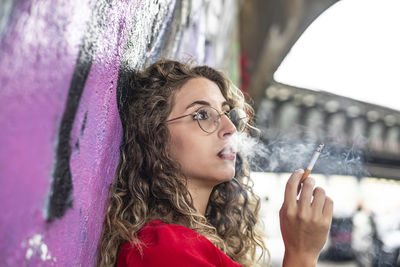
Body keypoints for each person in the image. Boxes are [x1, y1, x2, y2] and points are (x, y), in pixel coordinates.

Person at [96, 59, 333, 267]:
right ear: (155, 138)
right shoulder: (161, 250)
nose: (230, 129)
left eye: (227, 114)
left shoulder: (194, 243)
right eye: (201, 115)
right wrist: (302, 253)